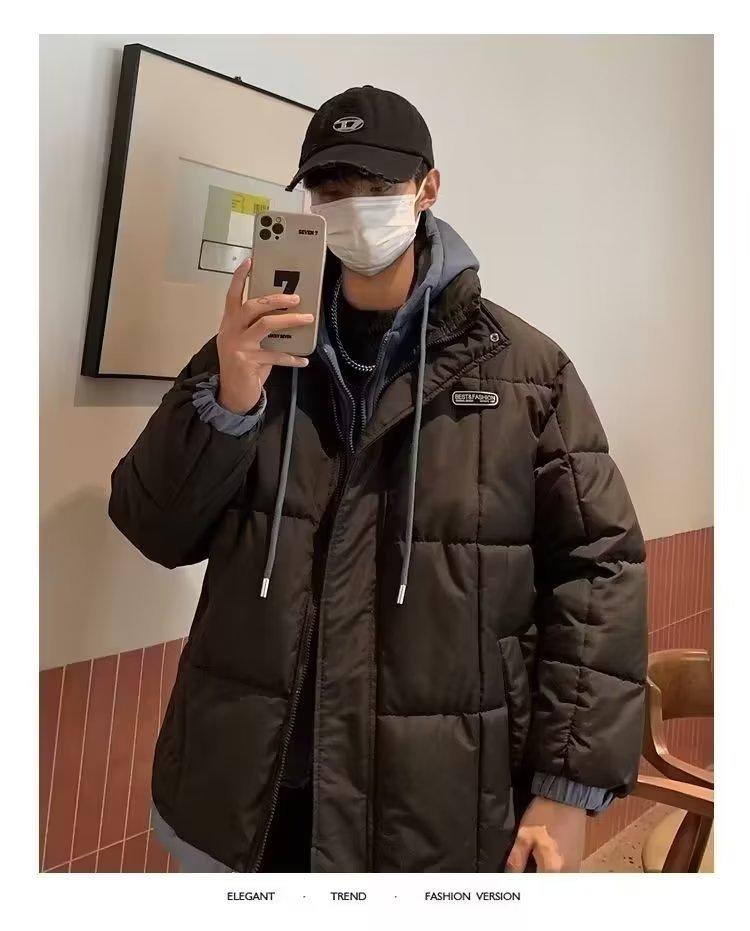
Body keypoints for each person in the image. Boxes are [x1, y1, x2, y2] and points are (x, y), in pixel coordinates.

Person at [109, 85, 648, 873]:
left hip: (434, 795)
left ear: (427, 188)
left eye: (375, 185)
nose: (352, 209)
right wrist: (230, 395)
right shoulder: (251, 349)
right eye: (331, 189)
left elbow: (599, 568)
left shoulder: (525, 373)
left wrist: (568, 783)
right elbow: (152, 525)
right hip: (251, 790)